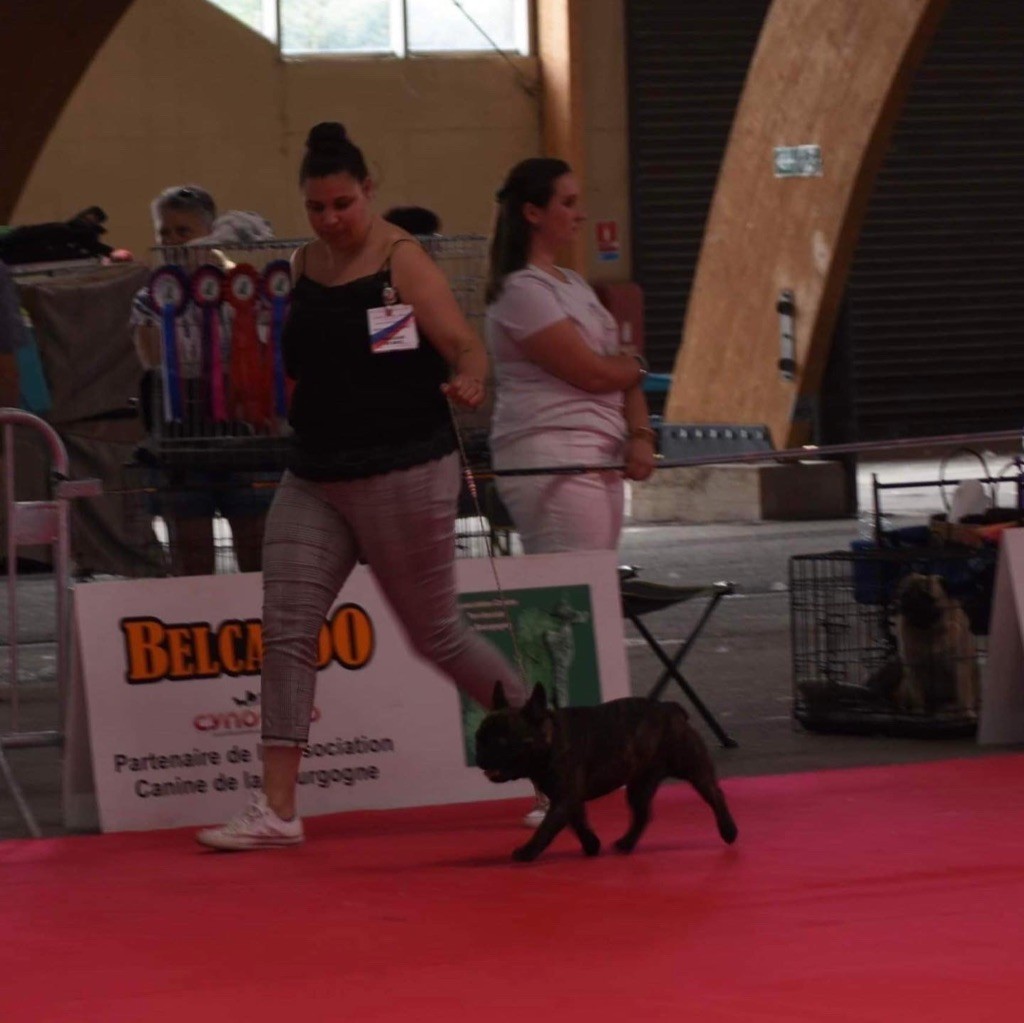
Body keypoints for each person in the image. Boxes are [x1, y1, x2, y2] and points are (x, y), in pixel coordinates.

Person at [197, 122, 527, 851]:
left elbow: (463, 344)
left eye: (342, 204)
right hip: (315, 472)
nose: (330, 220)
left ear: (368, 190)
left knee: (436, 633)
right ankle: (277, 809)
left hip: (404, 468)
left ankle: (556, 753)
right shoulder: (301, 263)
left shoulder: (402, 261)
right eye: (316, 207)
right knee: (285, 631)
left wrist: (471, 378)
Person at [484, 157, 657, 824]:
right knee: (561, 628)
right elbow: (593, 370)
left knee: (582, 622)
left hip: (599, 460)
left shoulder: (574, 285)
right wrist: (630, 367)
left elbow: (622, 372)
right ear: (534, 212)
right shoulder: (520, 291)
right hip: (552, 462)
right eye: (567, 201)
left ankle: (582, 772)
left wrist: (639, 433)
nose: (579, 213)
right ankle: (550, 781)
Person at [131, 185, 276, 576]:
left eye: (184, 231)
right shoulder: (149, 298)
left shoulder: (245, 289)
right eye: (164, 232)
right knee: (191, 553)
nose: (173, 241)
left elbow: (267, 355)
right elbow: (151, 360)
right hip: (180, 434)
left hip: (242, 430)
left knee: (255, 547)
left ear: (211, 233)